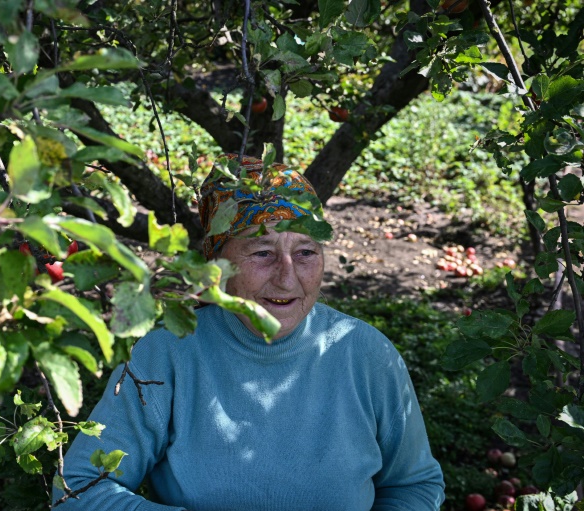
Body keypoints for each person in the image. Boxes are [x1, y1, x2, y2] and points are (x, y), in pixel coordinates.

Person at [54, 155, 445, 510]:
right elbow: (79, 487)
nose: (287, 277)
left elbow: (414, 485)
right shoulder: (168, 352)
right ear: (216, 262)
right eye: (262, 253)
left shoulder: (365, 354)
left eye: (306, 252)